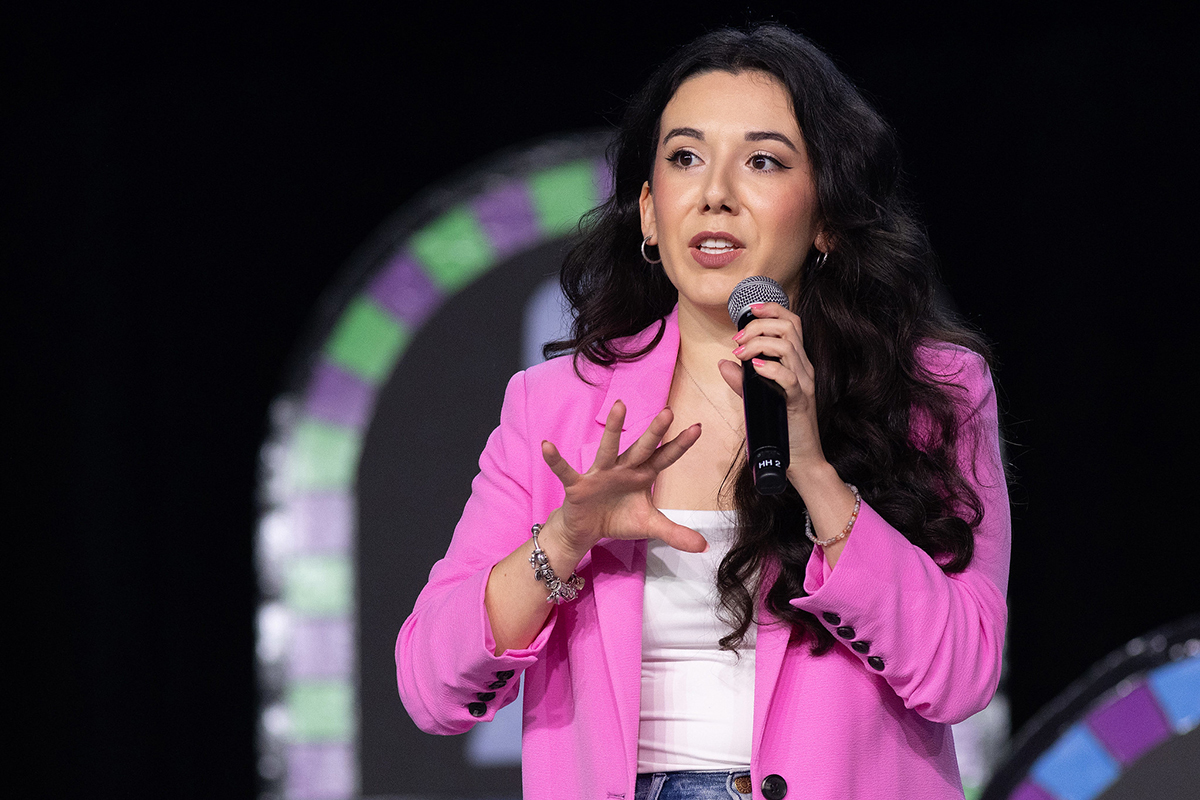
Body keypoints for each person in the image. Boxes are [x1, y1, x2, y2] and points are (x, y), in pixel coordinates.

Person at [396, 23, 1009, 800]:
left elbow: (962, 674)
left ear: (825, 215)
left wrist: (816, 474)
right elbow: (430, 687)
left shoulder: (932, 391)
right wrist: (565, 538)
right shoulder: (557, 405)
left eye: (762, 161)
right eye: (685, 159)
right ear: (651, 212)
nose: (715, 192)